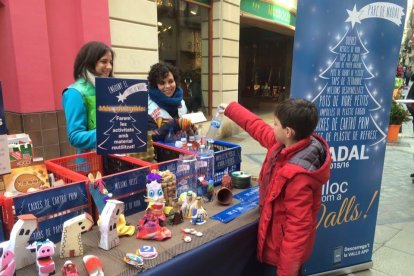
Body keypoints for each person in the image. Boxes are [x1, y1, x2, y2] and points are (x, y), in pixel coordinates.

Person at [221, 98, 331, 276]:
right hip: (271, 243)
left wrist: (286, 272)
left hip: (280, 257)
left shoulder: (298, 176)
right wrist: (231, 108)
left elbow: (297, 229)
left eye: (275, 124)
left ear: (288, 131)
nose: (271, 127)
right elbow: (257, 127)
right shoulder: (282, 144)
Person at [62, 41, 114, 153]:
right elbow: (75, 137)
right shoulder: (74, 92)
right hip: (91, 165)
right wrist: (112, 133)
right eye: (104, 62)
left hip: (116, 160)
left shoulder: (112, 88)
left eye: (110, 62)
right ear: (89, 62)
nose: (109, 67)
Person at [147, 62, 188, 128]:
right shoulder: (148, 107)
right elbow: (152, 136)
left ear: (175, 81)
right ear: (155, 85)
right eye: (162, 83)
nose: (167, 86)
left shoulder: (181, 102)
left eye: (171, 81)